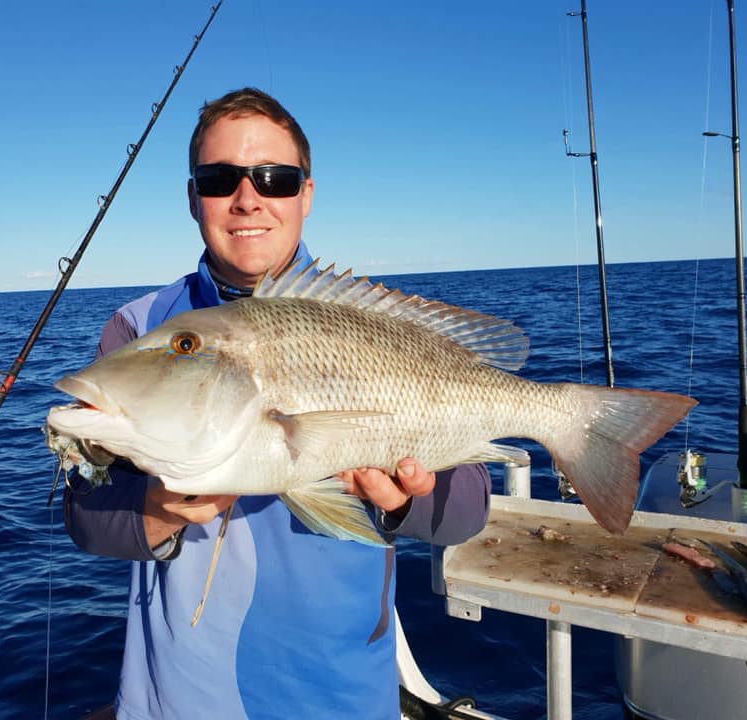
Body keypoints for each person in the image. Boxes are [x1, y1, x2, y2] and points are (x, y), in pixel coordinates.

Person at [64, 87, 491, 720]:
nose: (248, 198)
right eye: (219, 178)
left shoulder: (373, 322)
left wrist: (407, 503)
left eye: (275, 177)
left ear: (306, 194)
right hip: (180, 696)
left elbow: (470, 512)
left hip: (344, 693)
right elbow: (86, 516)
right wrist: (156, 509)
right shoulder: (139, 328)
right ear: (193, 197)